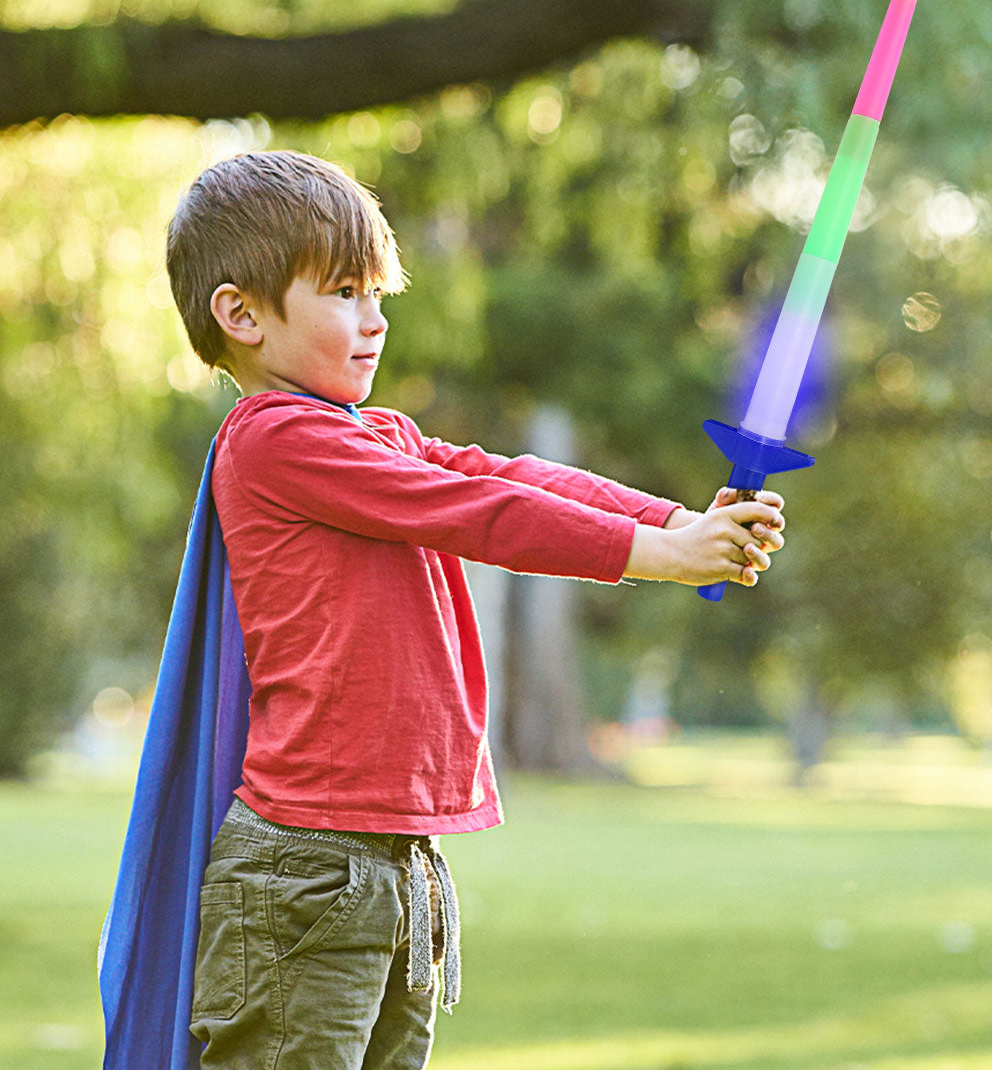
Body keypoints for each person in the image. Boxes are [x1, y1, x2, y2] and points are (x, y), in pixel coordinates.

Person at [164, 149, 786, 1069]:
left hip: (394, 864)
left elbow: (507, 474)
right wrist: (659, 556)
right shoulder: (276, 442)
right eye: (343, 292)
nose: (374, 321)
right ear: (241, 313)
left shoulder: (378, 435)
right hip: (305, 869)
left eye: (379, 295)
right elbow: (478, 515)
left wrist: (675, 519)